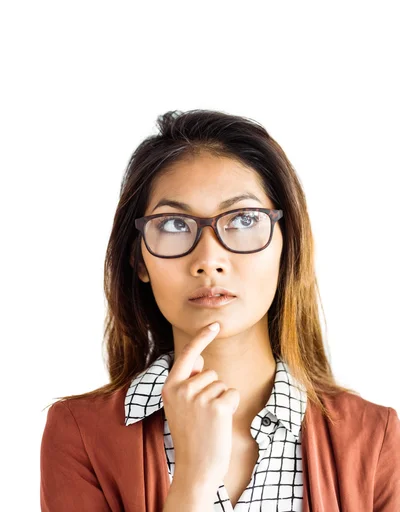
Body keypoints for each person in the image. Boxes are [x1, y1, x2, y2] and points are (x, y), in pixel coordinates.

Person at [40, 109, 400, 511]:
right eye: (175, 224)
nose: (208, 259)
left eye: (244, 219)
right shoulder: (80, 433)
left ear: (287, 247)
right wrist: (193, 479)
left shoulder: (375, 436)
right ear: (139, 260)